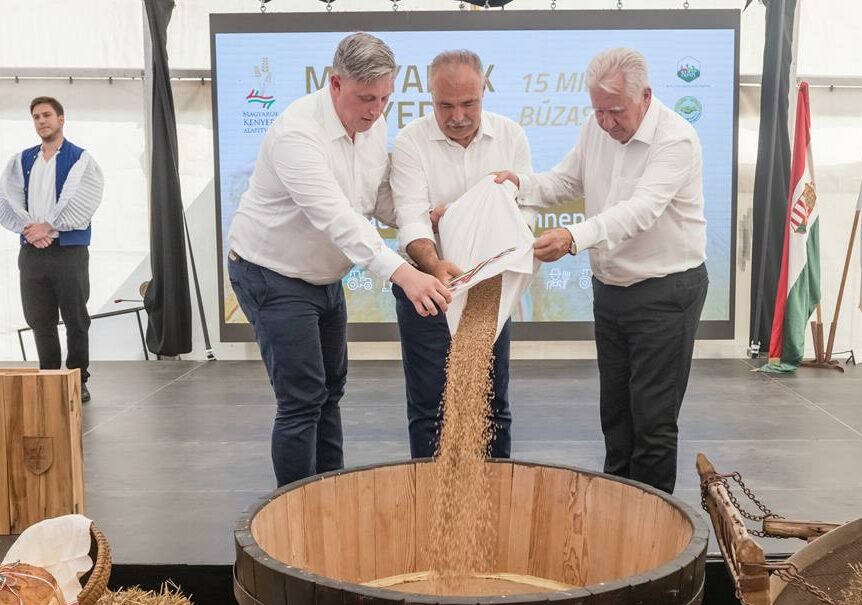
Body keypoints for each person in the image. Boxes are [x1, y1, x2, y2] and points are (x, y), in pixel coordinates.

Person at [227, 33, 451, 487]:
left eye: (386, 98)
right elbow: (339, 219)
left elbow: (373, 199)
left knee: (330, 391)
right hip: (271, 274)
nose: (376, 110)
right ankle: (293, 517)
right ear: (335, 84)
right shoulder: (297, 135)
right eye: (366, 98)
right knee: (301, 398)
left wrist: (424, 223)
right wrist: (407, 274)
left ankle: (329, 496)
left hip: (324, 276)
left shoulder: (374, 125)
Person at [495, 48, 708, 494]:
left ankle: (652, 535)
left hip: (665, 292)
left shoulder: (676, 139)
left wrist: (573, 237)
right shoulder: (596, 127)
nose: (606, 122)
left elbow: (640, 211)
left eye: (616, 111)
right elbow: (567, 181)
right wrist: (521, 184)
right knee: (616, 414)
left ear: (645, 96)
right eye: (598, 110)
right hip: (610, 290)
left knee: (652, 419)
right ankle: (618, 510)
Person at [390, 49, 535, 459]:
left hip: (489, 290)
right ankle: (431, 509)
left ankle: (493, 504)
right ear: (429, 97)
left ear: (483, 91)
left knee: (491, 407)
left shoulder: (510, 136)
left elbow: (524, 215)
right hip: (427, 287)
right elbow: (411, 220)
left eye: (468, 103)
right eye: (445, 105)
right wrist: (435, 265)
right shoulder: (411, 142)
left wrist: (457, 213)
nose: (457, 116)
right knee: (429, 407)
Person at [0, 96, 104, 403]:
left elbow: (84, 200)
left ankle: (77, 377)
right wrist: (31, 230)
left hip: (68, 252)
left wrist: (51, 227)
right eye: (36, 117)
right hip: (32, 250)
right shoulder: (22, 160)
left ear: (61, 119)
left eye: (46, 115)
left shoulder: (80, 158)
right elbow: (9, 198)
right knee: (39, 318)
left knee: (75, 317)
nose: (41, 121)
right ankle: (48, 376)